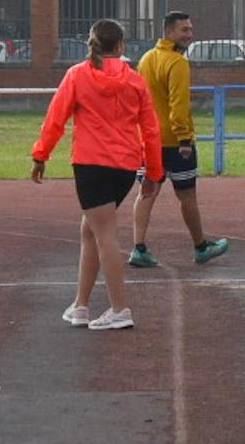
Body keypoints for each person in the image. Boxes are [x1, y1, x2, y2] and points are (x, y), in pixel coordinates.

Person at [31, 19, 164, 330]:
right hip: (125, 167)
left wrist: (41, 154)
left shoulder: (77, 76)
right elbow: (152, 131)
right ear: (120, 46)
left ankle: (120, 309)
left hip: (91, 165)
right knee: (90, 230)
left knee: (104, 234)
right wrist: (153, 173)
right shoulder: (135, 81)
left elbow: (56, 118)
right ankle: (81, 304)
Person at [128, 11, 229, 268]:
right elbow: (178, 105)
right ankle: (200, 247)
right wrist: (185, 139)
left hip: (149, 140)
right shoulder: (177, 63)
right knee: (187, 196)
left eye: (190, 29)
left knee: (146, 193)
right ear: (169, 32)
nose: (190, 35)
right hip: (175, 142)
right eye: (184, 30)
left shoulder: (146, 59)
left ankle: (138, 248)